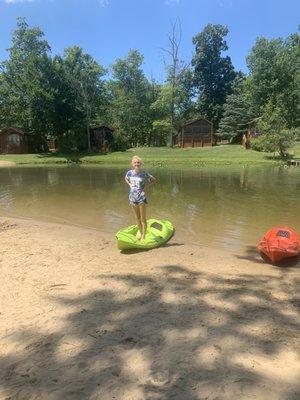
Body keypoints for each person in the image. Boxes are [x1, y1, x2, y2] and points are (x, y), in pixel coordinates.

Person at [125, 156, 156, 240]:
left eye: (138, 162)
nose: (136, 164)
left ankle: (143, 236)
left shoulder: (144, 173)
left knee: (143, 218)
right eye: (135, 162)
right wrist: (130, 185)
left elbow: (153, 179)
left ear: (140, 164)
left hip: (141, 197)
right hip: (132, 197)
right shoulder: (129, 173)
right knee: (137, 218)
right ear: (132, 164)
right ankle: (141, 232)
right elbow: (126, 178)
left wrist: (146, 185)